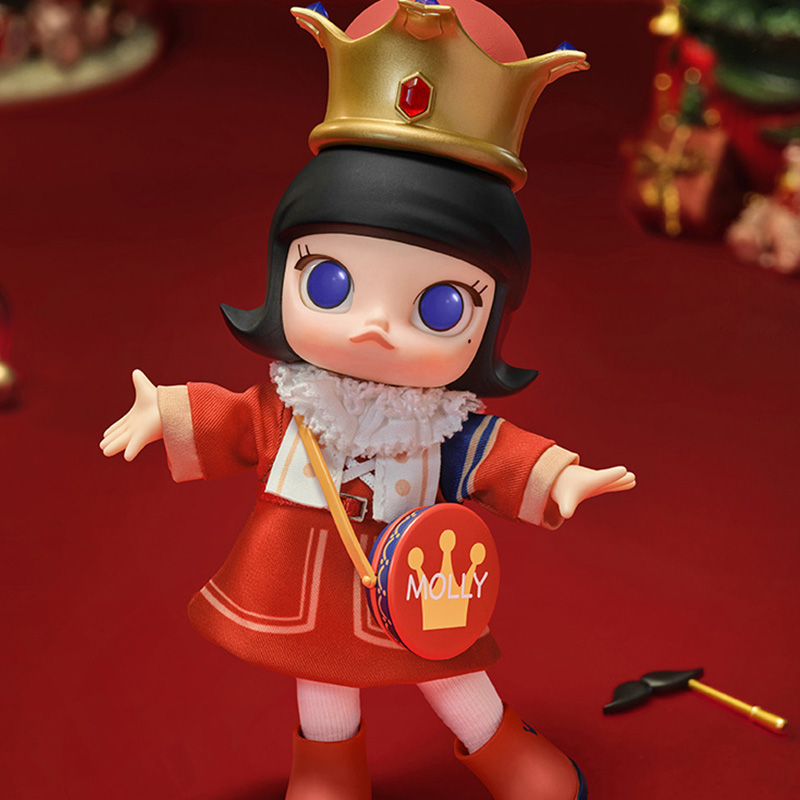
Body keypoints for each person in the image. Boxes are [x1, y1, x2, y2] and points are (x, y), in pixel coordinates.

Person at [100, 3, 635, 798]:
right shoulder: (295, 399)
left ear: (489, 322)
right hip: (303, 578)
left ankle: (499, 745)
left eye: (440, 307)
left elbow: (495, 456)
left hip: (419, 577)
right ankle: (327, 767)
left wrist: (562, 478)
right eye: (330, 284)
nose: (375, 328)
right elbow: (236, 420)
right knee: (322, 679)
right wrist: (167, 411)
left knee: (450, 667)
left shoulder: (440, 421)